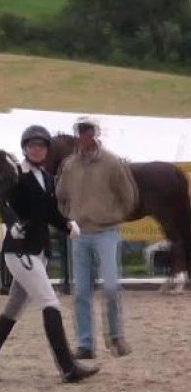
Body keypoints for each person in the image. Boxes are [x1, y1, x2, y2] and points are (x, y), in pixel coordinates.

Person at [0, 125, 99, 383]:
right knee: (50, 302)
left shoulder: (48, 178)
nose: (37, 150)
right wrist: (11, 223)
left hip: (37, 251)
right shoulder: (16, 173)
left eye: (41, 146)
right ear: (25, 148)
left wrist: (66, 225)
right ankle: (67, 367)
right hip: (20, 251)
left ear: (47, 150)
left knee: (13, 310)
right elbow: (3, 200)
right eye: (32, 146)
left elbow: (49, 211)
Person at [56, 117, 137, 359]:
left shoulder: (112, 162)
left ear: (95, 133)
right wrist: (69, 218)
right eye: (81, 131)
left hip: (106, 232)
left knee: (111, 286)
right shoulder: (69, 165)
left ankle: (115, 335)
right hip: (80, 234)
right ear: (77, 134)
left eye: (88, 130)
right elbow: (61, 195)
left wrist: (115, 216)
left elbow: (128, 195)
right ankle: (85, 344)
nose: (84, 135)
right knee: (80, 291)